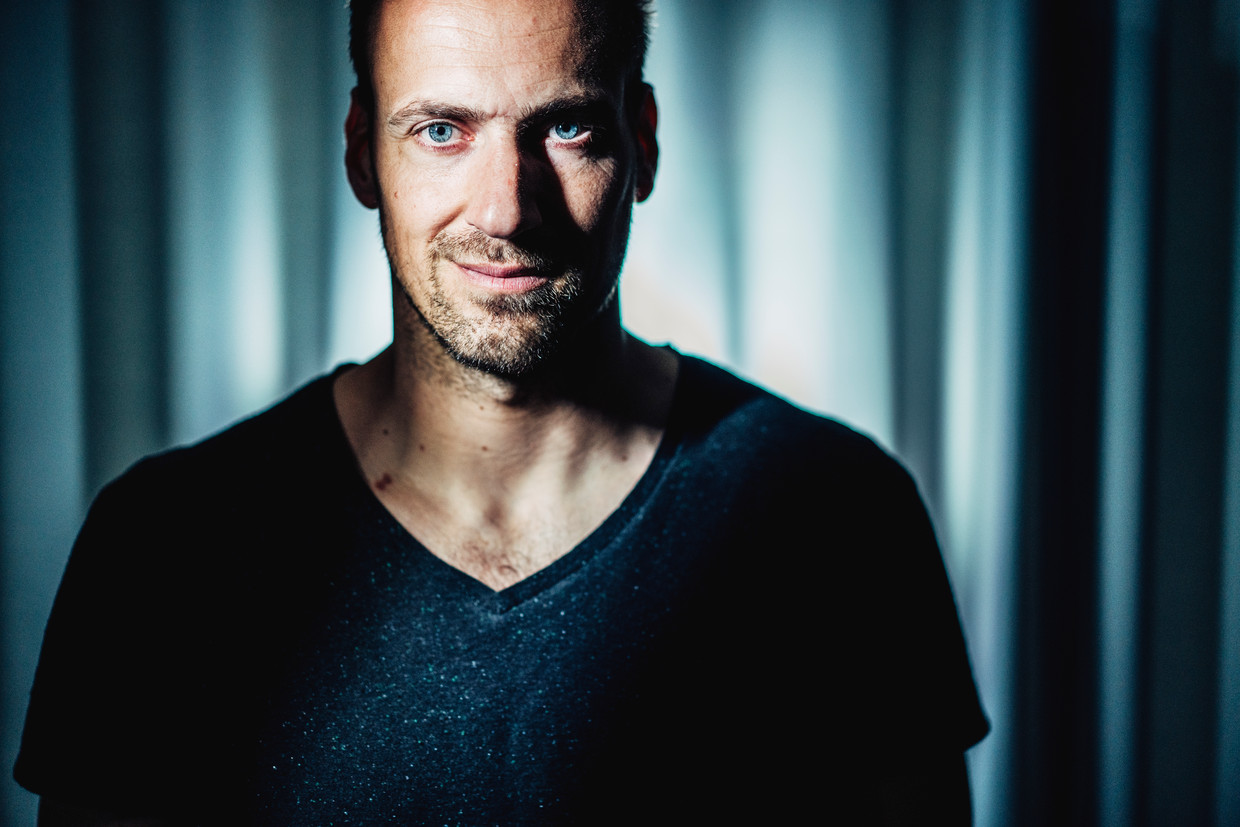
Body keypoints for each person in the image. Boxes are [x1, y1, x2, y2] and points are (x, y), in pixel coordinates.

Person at [15, 0, 989, 823]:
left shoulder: (835, 514)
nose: (507, 209)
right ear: (362, 154)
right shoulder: (162, 547)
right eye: (441, 130)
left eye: (565, 128)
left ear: (643, 142)